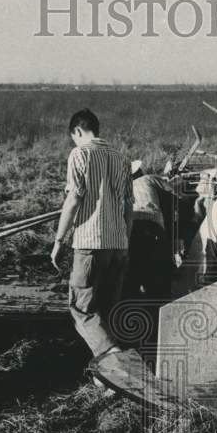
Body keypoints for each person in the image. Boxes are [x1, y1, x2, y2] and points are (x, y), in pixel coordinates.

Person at [51, 108, 134, 362]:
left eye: (73, 136)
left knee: (81, 307)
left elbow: (74, 198)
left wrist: (59, 240)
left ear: (77, 131)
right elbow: (129, 205)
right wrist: (125, 242)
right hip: (116, 242)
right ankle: (109, 377)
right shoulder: (122, 158)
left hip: (89, 241)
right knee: (106, 309)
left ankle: (113, 356)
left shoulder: (80, 153)